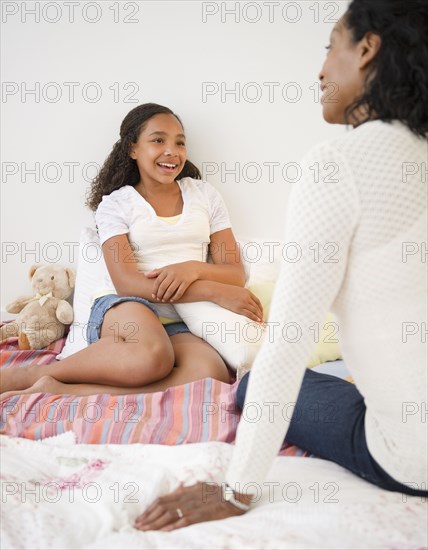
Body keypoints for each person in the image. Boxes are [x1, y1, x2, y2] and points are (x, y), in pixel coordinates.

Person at [133, 0, 428, 531]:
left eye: (330, 47)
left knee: (251, 384)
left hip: (413, 457)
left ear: (367, 49)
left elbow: (288, 341)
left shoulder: (338, 165)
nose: (319, 70)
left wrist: (237, 491)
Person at [0, 103, 263, 399]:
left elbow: (234, 272)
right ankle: (32, 374)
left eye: (179, 142)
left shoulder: (204, 195)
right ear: (133, 149)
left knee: (208, 373)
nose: (172, 151)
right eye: (158, 140)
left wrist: (190, 268)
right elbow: (128, 282)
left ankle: (56, 388)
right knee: (152, 354)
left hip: (181, 318)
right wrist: (213, 291)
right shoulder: (115, 204)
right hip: (126, 305)